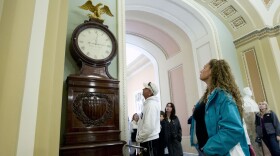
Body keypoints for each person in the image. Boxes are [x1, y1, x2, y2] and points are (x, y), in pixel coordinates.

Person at [190, 59, 250, 155]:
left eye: (204, 67)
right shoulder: (207, 97)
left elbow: (233, 130)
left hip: (218, 151)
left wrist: (208, 148)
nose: (201, 70)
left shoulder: (223, 96)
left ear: (212, 70)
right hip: (204, 149)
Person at [136, 82, 160, 156]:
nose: (143, 89)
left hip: (149, 140)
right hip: (147, 139)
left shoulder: (151, 105)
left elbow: (149, 127)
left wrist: (139, 137)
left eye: (145, 88)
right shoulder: (148, 104)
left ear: (150, 92)